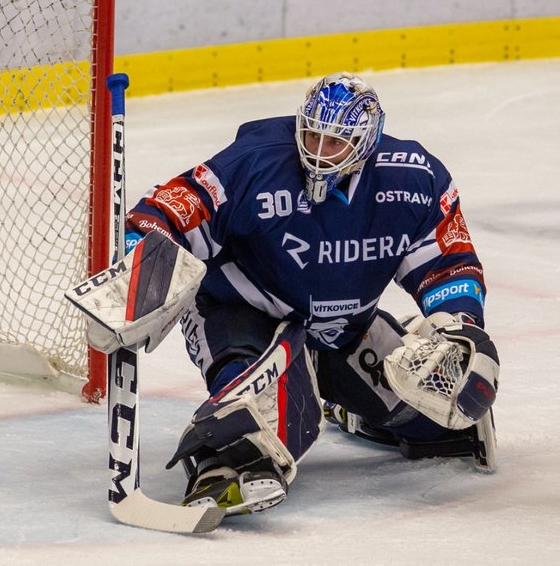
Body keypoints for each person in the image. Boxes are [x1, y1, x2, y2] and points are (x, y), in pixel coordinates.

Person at [119, 72, 500, 517]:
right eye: (312, 135)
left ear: (365, 143)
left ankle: (351, 401)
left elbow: (448, 264)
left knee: (442, 422)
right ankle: (222, 461)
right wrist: (141, 274)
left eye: (334, 142)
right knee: (252, 426)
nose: (318, 152)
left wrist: (458, 327)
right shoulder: (254, 160)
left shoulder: (415, 178)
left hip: (342, 329)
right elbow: (160, 212)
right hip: (241, 308)